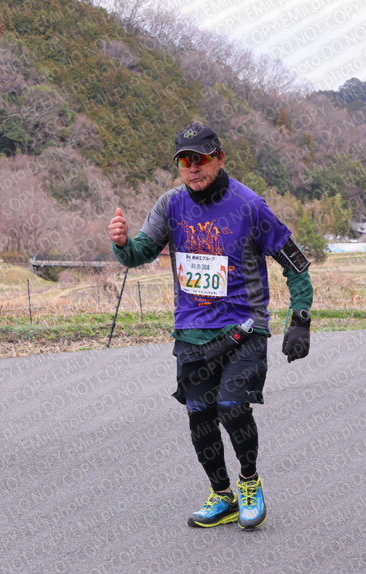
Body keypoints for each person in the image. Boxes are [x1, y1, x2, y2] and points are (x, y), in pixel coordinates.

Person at [107, 122, 314, 529]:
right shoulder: (170, 205)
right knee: (199, 415)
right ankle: (223, 496)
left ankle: (249, 483)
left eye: (200, 159)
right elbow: (139, 254)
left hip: (244, 329)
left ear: (219, 158)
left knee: (232, 407)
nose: (193, 168)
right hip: (191, 332)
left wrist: (301, 318)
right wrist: (121, 244)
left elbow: (295, 263)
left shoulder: (250, 205)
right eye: (185, 161)